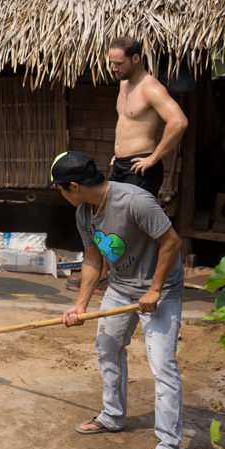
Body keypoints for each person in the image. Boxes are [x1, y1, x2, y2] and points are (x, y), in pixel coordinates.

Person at [52, 151, 185, 449]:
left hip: (162, 290)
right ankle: (112, 415)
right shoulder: (84, 212)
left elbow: (172, 242)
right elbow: (93, 259)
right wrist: (81, 305)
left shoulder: (135, 202)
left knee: (163, 366)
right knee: (107, 347)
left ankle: (168, 447)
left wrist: (154, 289)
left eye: (59, 188)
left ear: (73, 185)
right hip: (122, 287)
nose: (60, 194)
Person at [66, 36, 188, 291]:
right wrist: (118, 153)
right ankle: (109, 277)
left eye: (118, 63)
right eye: (111, 63)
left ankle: (147, 281)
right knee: (109, 220)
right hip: (121, 164)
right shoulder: (124, 85)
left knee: (135, 225)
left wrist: (154, 157)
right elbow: (127, 123)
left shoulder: (151, 88)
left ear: (135, 59)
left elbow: (179, 122)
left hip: (141, 167)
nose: (113, 68)